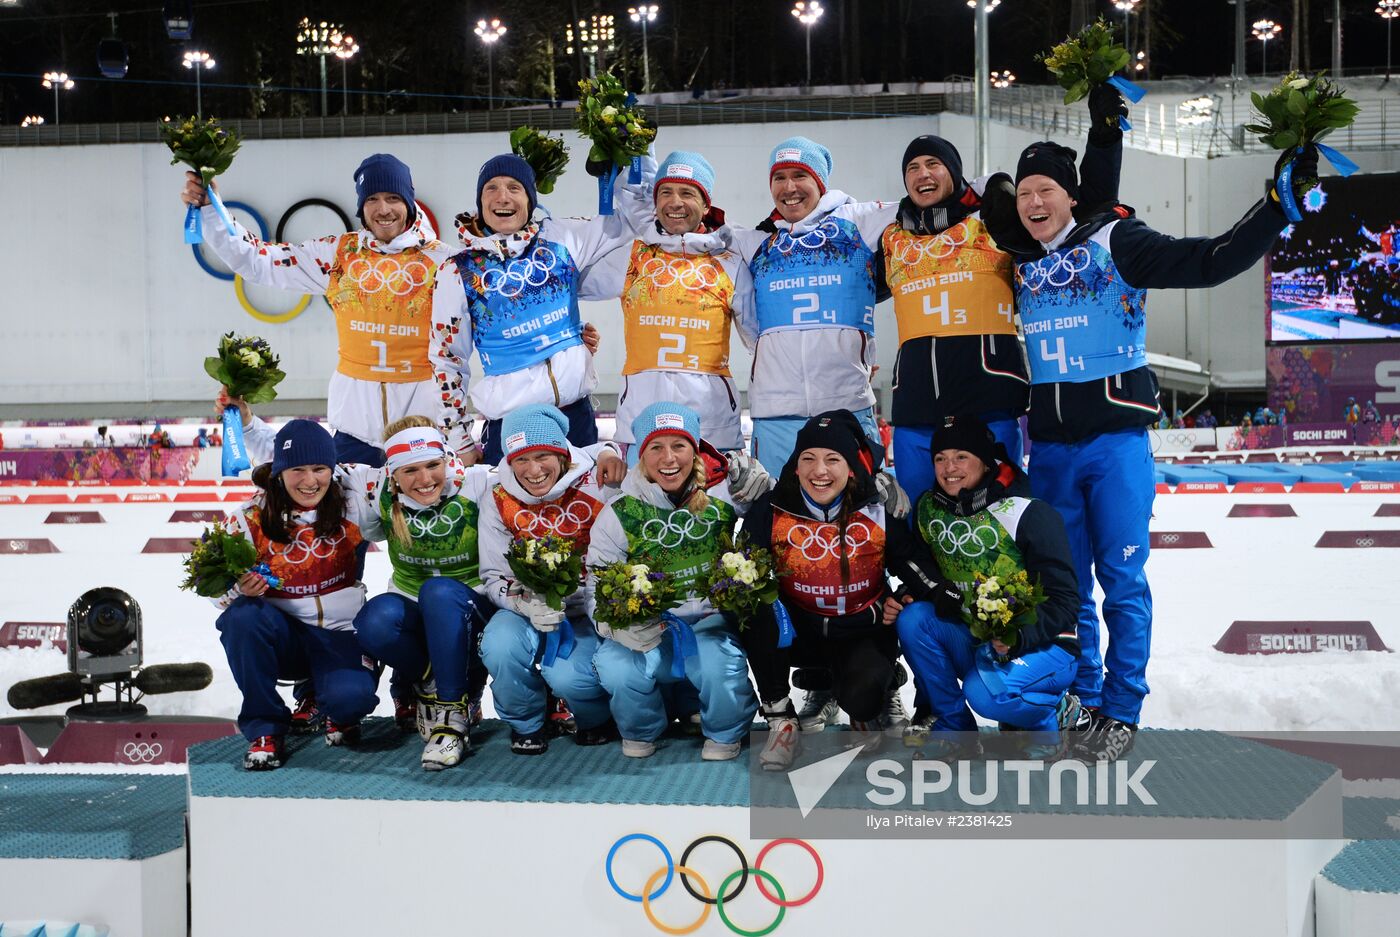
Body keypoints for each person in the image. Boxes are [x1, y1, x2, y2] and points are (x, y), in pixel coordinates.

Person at [984, 138, 1309, 760]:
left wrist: (1273, 205)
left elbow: (1211, 260)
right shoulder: (1021, 256)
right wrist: (1105, 125)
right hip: (1049, 450)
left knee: (1123, 583)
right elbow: (1000, 200)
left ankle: (1122, 707)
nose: (1032, 202)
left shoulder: (1117, 243)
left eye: (1045, 190)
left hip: (1115, 448)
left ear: (1070, 196)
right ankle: (1077, 702)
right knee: (1064, 587)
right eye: (1024, 194)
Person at [876, 87, 1126, 504]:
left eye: (934, 164)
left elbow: (1077, 216)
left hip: (990, 401)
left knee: (1003, 520)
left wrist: (1105, 139)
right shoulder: (891, 237)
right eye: (913, 167)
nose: (923, 173)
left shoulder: (994, 221)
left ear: (954, 173)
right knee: (919, 525)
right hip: (916, 411)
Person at [182, 154, 452, 466]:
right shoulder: (340, 255)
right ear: (361, 207)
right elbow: (257, 261)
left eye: (393, 197)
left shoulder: (443, 263)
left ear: (409, 201)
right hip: (354, 437)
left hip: (422, 437)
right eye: (373, 199)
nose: (383, 209)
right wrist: (210, 208)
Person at [739, 410, 958, 770]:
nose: (819, 471)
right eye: (808, 459)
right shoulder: (772, 509)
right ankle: (781, 719)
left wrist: (912, 596)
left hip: (860, 629)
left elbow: (912, 564)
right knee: (752, 600)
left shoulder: (877, 506)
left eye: (832, 460)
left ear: (852, 468)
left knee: (861, 699)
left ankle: (880, 690)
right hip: (799, 631)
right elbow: (741, 570)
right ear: (795, 466)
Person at [430, 154, 649, 465]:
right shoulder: (458, 271)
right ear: (479, 201)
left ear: (530, 199)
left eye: (514, 187)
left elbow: (630, 224)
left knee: (581, 512)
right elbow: (447, 358)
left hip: (576, 417)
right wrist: (458, 439)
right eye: (491, 188)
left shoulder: (561, 237)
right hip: (511, 424)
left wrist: (626, 167)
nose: (502, 196)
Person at [891, 416, 1082, 758]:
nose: (949, 467)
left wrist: (1020, 638)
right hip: (978, 641)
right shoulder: (928, 511)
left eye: (961, 456)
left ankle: (1050, 718)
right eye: (940, 458)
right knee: (913, 618)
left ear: (985, 460)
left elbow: (1066, 602)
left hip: (1043, 645)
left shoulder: (1026, 511)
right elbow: (927, 576)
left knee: (987, 695)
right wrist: (905, 595)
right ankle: (955, 727)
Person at [586, 402, 758, 761]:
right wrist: (613, 627)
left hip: (711, 623)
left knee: (715, 663)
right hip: (653, 627)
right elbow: (595, 586)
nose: (669, 458)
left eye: (679, 446)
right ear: (640, 454)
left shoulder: (722, 497)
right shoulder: (619, 512)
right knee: (616, 664)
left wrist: (764, 487)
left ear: (695, 451)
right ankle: (644, 727)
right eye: (656, 447)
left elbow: (770, 521)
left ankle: (724, 729)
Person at [207, 419, 379, 770]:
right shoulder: (248, 518)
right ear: (279, 472)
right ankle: (265, 726)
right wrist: (236, 589)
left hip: (338, 635)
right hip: (283, 637)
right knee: (241, 617)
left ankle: (324, 695)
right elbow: (211, 585)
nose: (310, 480)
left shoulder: (354, 503)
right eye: (297, 469)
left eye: (319, 468)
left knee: (352, 701)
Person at [730, 136, 894, 475]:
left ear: (820, 182)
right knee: (775, 518)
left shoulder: (857, 222)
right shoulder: (759, 242)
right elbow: (684, 229)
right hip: (775, 414)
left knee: (854, 516)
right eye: (779, 177)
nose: (789, 187)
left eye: (800, 175)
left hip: (846, 408)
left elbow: (926, 204)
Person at [579, 151, 757, 456]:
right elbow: (562, 286)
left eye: (687, 193)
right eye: (665, 192)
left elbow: (761, 339)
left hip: (712, 427)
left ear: (706, 204)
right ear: (655, 202)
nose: (675, 202)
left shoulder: (730, 263)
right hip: (642, 424)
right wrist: (571, 336)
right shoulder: (633, 256)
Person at [478, 404, 625, 754]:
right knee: (499, 644)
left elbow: (626, 549)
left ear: (563, 454)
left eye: (543, 455)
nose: (533, 470)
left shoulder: (598, 481)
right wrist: (522, 602)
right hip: (527, 606)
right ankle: (527, 722)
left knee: (569, 676)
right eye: (521, 460)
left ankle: (595, 718)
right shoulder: (497, 496)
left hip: (588, 607)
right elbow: (493, 573)